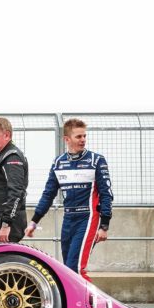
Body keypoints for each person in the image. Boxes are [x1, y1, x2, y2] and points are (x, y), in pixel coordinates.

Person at [25, 118, 112, 281]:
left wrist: (104, 225)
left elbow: (106, 194)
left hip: (88, 218)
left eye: (84, 136)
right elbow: (48, 194)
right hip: (68, 219)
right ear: (67, 139)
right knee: (68, 270)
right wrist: (34, 222)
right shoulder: (58, 162)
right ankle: (79, 305)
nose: (83, 140)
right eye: (78, 137)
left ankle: (91, 305)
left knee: (75, 268)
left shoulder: (96, 161)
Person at [0, 117, 29, 243]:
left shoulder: (12, 157)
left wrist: (6, 224)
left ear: (6, 135)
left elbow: (16, 192)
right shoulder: (3, 156)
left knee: (2, 261)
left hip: (6, 222)